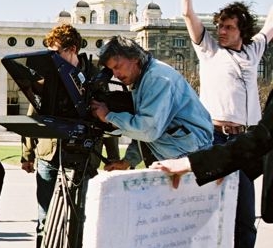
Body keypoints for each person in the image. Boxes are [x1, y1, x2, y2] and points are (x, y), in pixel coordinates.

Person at [171, 0, 273, 248]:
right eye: (220, 26)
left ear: (242, 29)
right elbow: (188, 13)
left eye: (228, 27)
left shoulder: (254, 50)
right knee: (213, 218)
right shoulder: (209, 50)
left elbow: (272, 21)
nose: (222, 31)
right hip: (216, 139)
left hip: (246, 144)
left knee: (244, 220)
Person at [150, 90, 273, 248]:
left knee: (245, 225)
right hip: (226, 144)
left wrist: (193, 163)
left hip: (239, 144)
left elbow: (262, 138)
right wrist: (220, 166)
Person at [19, 24, 103, 248]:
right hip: (49, 154)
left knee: (79, 219)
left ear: (72, 50)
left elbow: (104, 118)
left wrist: (113, 158)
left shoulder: (94, 76)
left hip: (82, 157)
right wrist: (27, 153)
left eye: (55, 53)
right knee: (45, 218)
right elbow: (34, 112)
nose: (51, 59)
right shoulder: (48, 75)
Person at [90, 36, 213, 169]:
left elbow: (148, 130)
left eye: (117, 66)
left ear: (134, 58)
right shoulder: (144, 78)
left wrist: (108, 116)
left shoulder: (157, 78)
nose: (116, 74)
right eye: (112, 70)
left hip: (193, 158)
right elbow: (149, 131)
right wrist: (128, 161)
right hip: (182, 156)